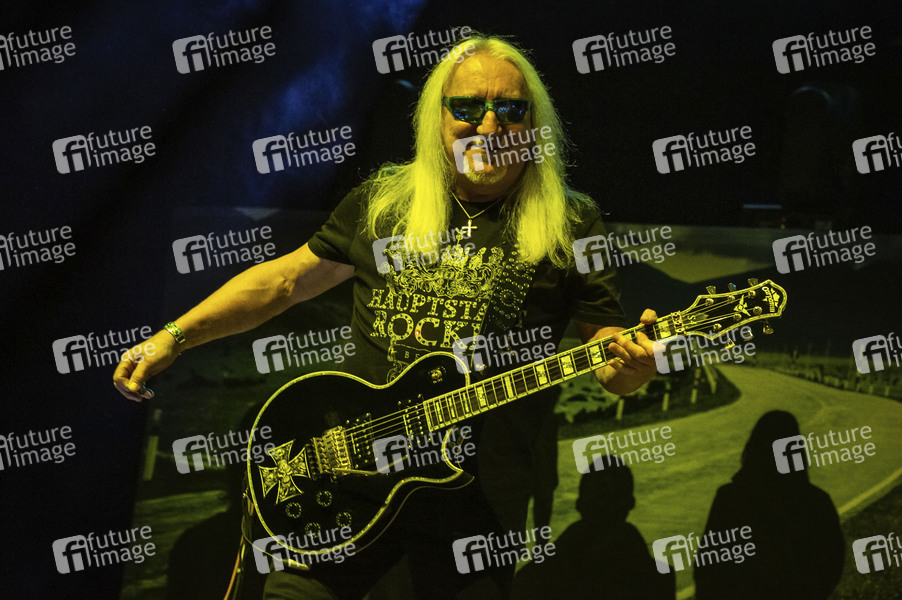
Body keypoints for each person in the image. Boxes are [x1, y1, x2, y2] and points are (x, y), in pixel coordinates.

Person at [114, 35, 659, 599]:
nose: (489, 125)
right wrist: (175, 336)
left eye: (511, 109)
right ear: (437, 117)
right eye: (468, 107)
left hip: (472, 516)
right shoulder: (384, 202)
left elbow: (606, 352)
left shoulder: (572, 222)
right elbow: (284, 281)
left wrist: (633, 366)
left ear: (533, 122)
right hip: (344, 489)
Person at [694, 410, 845, 599]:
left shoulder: (729, 497)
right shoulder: (816, 502)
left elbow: (708, 563)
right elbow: (831, 564)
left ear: (753, 448)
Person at [511, 457, 674, 600]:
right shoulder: (656, 577)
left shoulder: (545, 573)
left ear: (579, 504)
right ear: (630, 504)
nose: (603, 506)